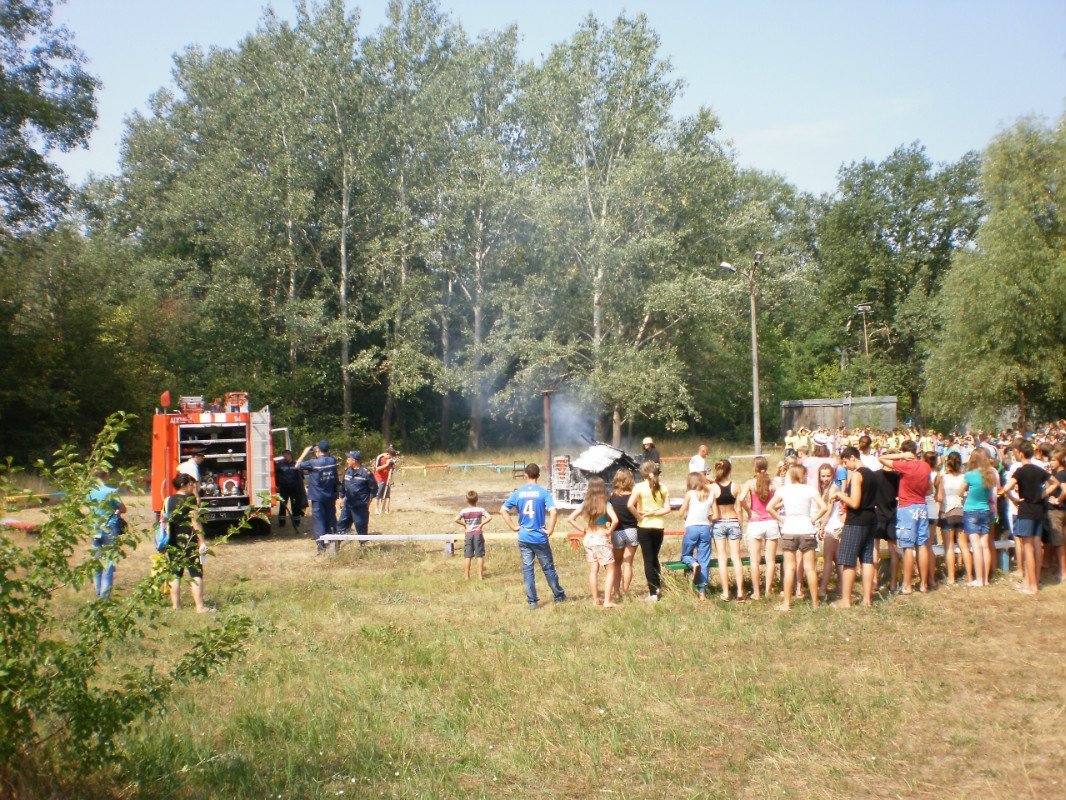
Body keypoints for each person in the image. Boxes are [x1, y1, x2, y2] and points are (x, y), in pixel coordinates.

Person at [501, 463, 566, 607]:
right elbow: (554, 511)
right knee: (548, 568)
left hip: (524, 536)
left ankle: (532, 601)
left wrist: (513, 527)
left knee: (528, 570)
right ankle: (558, 595)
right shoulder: (543, 492)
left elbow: (503, 510)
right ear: (538, 476)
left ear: (525, 475)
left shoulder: (518, 493)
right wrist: (551, 530)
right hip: (539, 537)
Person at [1001, 442, 1060, 594]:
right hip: (1038, 510)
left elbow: (1006, 488)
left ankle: (1032, 585)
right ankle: (1030, 581)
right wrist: (1043, 494)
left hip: (1026, 510)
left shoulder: (1020, 471)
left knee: (1027, 549)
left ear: (1021, 454)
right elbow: (1055, 483)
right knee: (1036, 545)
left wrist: (1014, 500)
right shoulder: (1039, 470)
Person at [767, 464, 827, 611]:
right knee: (810, 568)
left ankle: (786, 603)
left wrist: (782, 520)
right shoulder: (810, 489)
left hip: (789, 530)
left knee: (789, 568)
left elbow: (769, 507)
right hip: (807, 530)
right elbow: (824, 507)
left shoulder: (784, 490)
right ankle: (815, 603)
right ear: (803, 475)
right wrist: (813, 519)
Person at [880, 441, 932, 594]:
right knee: (922, 545)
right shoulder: (925, 466)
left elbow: (881, 458)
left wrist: (901, 455)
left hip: (907, 507)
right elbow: (929, 489)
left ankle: (907, 585)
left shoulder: (905, 466)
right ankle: (923, 584)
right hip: (922, 506)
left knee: (908, 546)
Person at [832, 446, 879, 607]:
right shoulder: (871, 474)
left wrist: (839, 494)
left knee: (848, 560)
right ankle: (867, 599)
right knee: (867, 559)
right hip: (871, 519)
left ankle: (846, 600)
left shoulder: (858, 475)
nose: (845, 466)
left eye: (845, 462)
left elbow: (855, 502)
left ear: (853, 457)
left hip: (856, 521)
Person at [567, 476, 619, 607]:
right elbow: (615, 520)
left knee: (593, 571)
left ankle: (595, 599)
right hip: (601, 537)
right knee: (610, 570)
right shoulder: (606, 504)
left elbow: (571, 518)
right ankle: (607, 601)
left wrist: (583, 530)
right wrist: (609, 531)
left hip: (589, 538)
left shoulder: (585, 504)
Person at [163, 473, 210, 612]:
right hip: (189, 540)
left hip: (172, 541)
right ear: (183, 485)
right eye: (191, 484)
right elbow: (195, 522)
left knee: (175, 573)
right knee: (196, 573)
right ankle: (200, 607)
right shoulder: (190, 500)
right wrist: (202, 542)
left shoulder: (168, 500)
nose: (193, 486)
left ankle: (176, 606)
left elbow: (164, 521)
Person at [627, 460, 670, 601]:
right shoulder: (663, 487)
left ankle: (653, 593)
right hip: (658, 526)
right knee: (655, 557)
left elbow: (630, 505)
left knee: (648, 559)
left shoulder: (639, 487)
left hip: (644, 526)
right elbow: (667, 508)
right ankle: (657, 587)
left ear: (643, 473)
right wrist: (654, 513)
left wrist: (639, 516)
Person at [737, 456, 779, 600]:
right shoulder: (773, 483)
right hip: (771, 522)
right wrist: (774, 508)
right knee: (770, 560)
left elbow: (741, 499)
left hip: (755, 523)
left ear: (754, 468)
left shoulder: (750, 483)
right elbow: (783, 498)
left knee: (754, 560)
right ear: (766, 467)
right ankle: (768, 591)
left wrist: (749, 511)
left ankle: (756, 592)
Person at [709, 459, 746, 601]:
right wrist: (741, 526)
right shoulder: (736, 487)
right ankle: (740, 592)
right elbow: (739, 509)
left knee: (722, 558)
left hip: (719, 523)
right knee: (736, 558)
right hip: (733, 521)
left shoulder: (712, 488)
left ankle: (725, 592)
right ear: (729, 470)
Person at [88, 470, 127, 599]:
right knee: (109, 563)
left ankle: (98, 593)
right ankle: (105, 597)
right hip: (109, 527)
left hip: (95, 528)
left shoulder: (89, 492)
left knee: (97, 562)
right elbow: (123, 508)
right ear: (107, 475)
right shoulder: (111, 492)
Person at [962, 447, 997, 587]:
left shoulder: (970, 475)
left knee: (975, 546)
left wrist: (966, 493)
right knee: (985, 546)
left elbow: (960, 491)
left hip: (971, 510)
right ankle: (986, 579)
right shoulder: (990, 475)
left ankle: (979, 579)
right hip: (985, 510)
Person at [299, 440, 339, 554]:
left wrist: (304, 452)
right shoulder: (332, 461)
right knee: (330, 519)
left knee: (319, 521)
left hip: (317, 497)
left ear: (318, 450)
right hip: (330, 496)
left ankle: (321, 547)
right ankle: (333, 543)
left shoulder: (313, 463)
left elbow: (297, 465)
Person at [677, 472, 713, 598]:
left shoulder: (690, 494)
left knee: (686, 555)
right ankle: (702, 593)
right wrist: (707, 516)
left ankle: (693, 564)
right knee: (704, 560)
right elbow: (716, 515)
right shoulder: (710, 494)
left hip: (692, 527)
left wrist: (686, 515)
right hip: (705, 528)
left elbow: (681, 513)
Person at [938, 452, 969, 585]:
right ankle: (970, 575)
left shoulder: (943, 478)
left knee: (949, 546)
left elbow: (939, 496)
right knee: (964, 546)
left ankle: (951, 577)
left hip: (947, 511)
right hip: (961, 511)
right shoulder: (964, 477)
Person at [608, 470, 640, 601]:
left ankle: (616, 592)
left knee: (616, 564)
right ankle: (626, 591)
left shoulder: (612, 497)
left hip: (617, 531)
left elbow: (609, 516)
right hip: (633, 530)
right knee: (628, 563)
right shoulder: (634, 497)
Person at [338, 451, 377, 543]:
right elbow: (343, 485)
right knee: (341, 525)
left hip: (360, 505)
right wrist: (341, 497)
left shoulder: (366, 473)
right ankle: (337, 544)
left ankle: (363, 547)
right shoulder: (347, 471)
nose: (347, 461)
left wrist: (369, 500)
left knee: (361, 527)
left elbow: (374, 488)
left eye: (348, 459)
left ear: (354, 460)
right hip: (348, 503)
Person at [817, 462, 843, 598]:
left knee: (828, 558)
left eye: (828, 476)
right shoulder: (825, 488)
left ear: (833, 475)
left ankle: (823, 588)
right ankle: (842, 586)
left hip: (833, 527)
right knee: (837, 558)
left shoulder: (833, 488)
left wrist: (822, 526)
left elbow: (829, 510)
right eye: (823, 476)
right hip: (834, 526)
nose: (825, 478)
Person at [454, 490, 491, 580]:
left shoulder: (464, 511)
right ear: (477, 499)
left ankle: (467, 576)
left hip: (468, 534)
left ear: (467, 500)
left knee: (468, 556)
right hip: (478, 534)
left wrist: (465, 525)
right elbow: (489, 517)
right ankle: (480, 576)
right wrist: (481, 525)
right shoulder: (480, 510)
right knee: (479, 556)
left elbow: (456, 519)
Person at [1044, 447, 1066, 583]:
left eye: (1053, 460)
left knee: (1059, 543)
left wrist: (1058, 500)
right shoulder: (1057, 474)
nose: (1051, 463)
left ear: (1060, 461)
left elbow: (1065, 490)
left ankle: (1063, 573)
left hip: (1056, 511)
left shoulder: (1061, 474)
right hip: (1060, 510)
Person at [274, 449, 307, 530]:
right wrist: (277, 485)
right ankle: (282, 523)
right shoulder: (280, 464)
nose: (285, 457)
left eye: (286, 455)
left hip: (294, 489)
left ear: (290, 455)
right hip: (284, 489)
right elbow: (275, 475)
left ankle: (296, 522)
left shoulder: (296, 463)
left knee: (295, 505)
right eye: (283, 455)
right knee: (282, 506)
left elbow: (301, 475)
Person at [373, 444, 399, 515]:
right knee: (378, 494)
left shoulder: (391, 459)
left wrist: (393, 465)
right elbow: (377, 468)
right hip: (379, 478)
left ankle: (385, 509)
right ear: (387, 454)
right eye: (390, 456)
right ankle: (376, 509)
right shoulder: (380, 457)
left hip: (387, 478)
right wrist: (386, 464)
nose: (390, 458)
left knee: (387, 494)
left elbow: (393, 468)